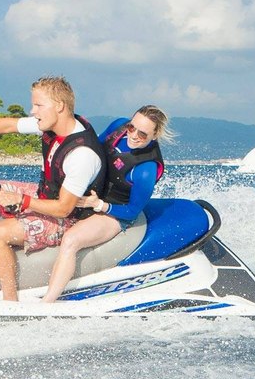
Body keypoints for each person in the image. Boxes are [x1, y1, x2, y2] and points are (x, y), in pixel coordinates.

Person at [0, 76, 105, 301]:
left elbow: (64, 208)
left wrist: (21, 201)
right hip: (44, 195)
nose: (32, 110)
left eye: (38, 105)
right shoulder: (52, 124)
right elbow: (9, 125)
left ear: (59, 106)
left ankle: (10, 303)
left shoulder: (82, 155)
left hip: (68, 218)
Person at [41, 105, 172, 303]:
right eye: (132, 127)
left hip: (114, 211)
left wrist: (99, 205)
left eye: (143, 134)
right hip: (92, 194)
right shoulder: (118, 127)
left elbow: (132, 211)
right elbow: (91, 149)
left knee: (71, 240)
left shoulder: (146, 169)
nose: (134, 135)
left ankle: (47, 302)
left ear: (154, 136)